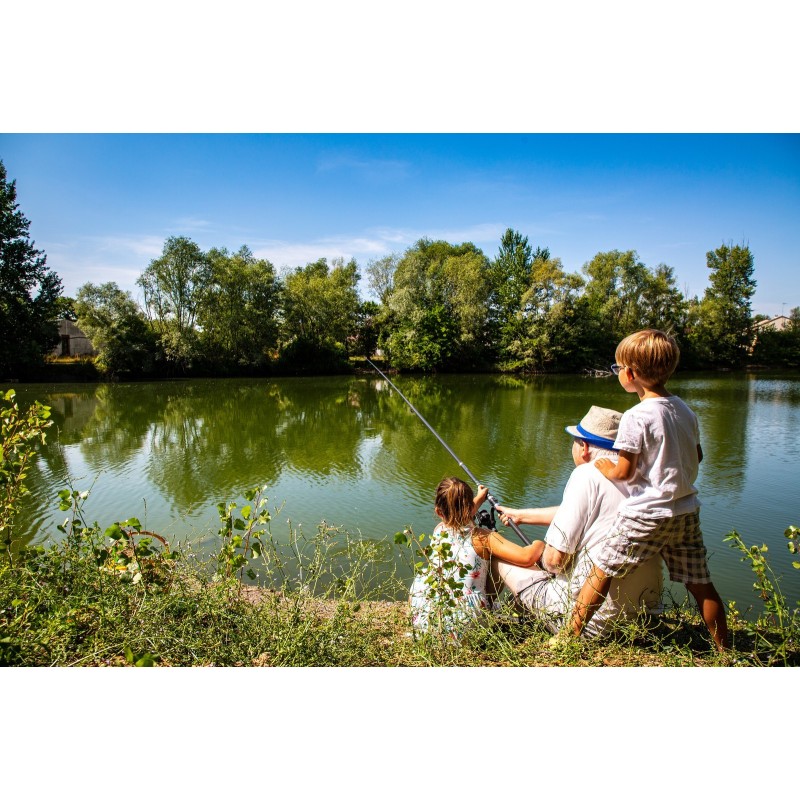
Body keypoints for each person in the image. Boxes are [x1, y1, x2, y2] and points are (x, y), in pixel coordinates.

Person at [565, 328, 729, 650]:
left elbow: (624, 472)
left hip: (645, 514)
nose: (617, 374)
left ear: (631, 373)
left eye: (616, 369)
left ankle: (567, 639)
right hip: (684, 511)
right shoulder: (685, 410)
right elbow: (697, 456)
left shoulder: (635, 416)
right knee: (701, 585)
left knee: (602, 571)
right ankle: (725, 650)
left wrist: (604, 467)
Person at [494, 405, 664, 638]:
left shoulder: (585, 474)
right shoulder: (645, 477)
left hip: (592, 624)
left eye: (574, 441)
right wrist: (521, 515)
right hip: (644, 620)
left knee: (502, 557)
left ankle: (488, 620)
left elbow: (555, 562)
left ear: (583, 447)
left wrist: (538, 555)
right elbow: (589, 512)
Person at [409, 476, 544, 634]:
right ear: (470, 509)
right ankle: (489, 604)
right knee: (498, 556)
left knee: (426, 574)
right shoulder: (483, 538)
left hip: (428, 622)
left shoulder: (439, 530)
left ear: (439, 512)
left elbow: (459, 514)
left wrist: (480, 497)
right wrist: (539, 544)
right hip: (466, 626)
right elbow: (527, 557)